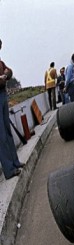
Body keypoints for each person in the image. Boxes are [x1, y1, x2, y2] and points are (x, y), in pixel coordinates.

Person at [0, 38, 24, 180]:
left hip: (3, 95)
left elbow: (9, 72)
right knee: (1, 136)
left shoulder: (1, 62)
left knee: (8, 132)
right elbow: (5, 76)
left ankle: (15, 162)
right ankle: (9, 169)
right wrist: (3, 77)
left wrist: (5, 75)